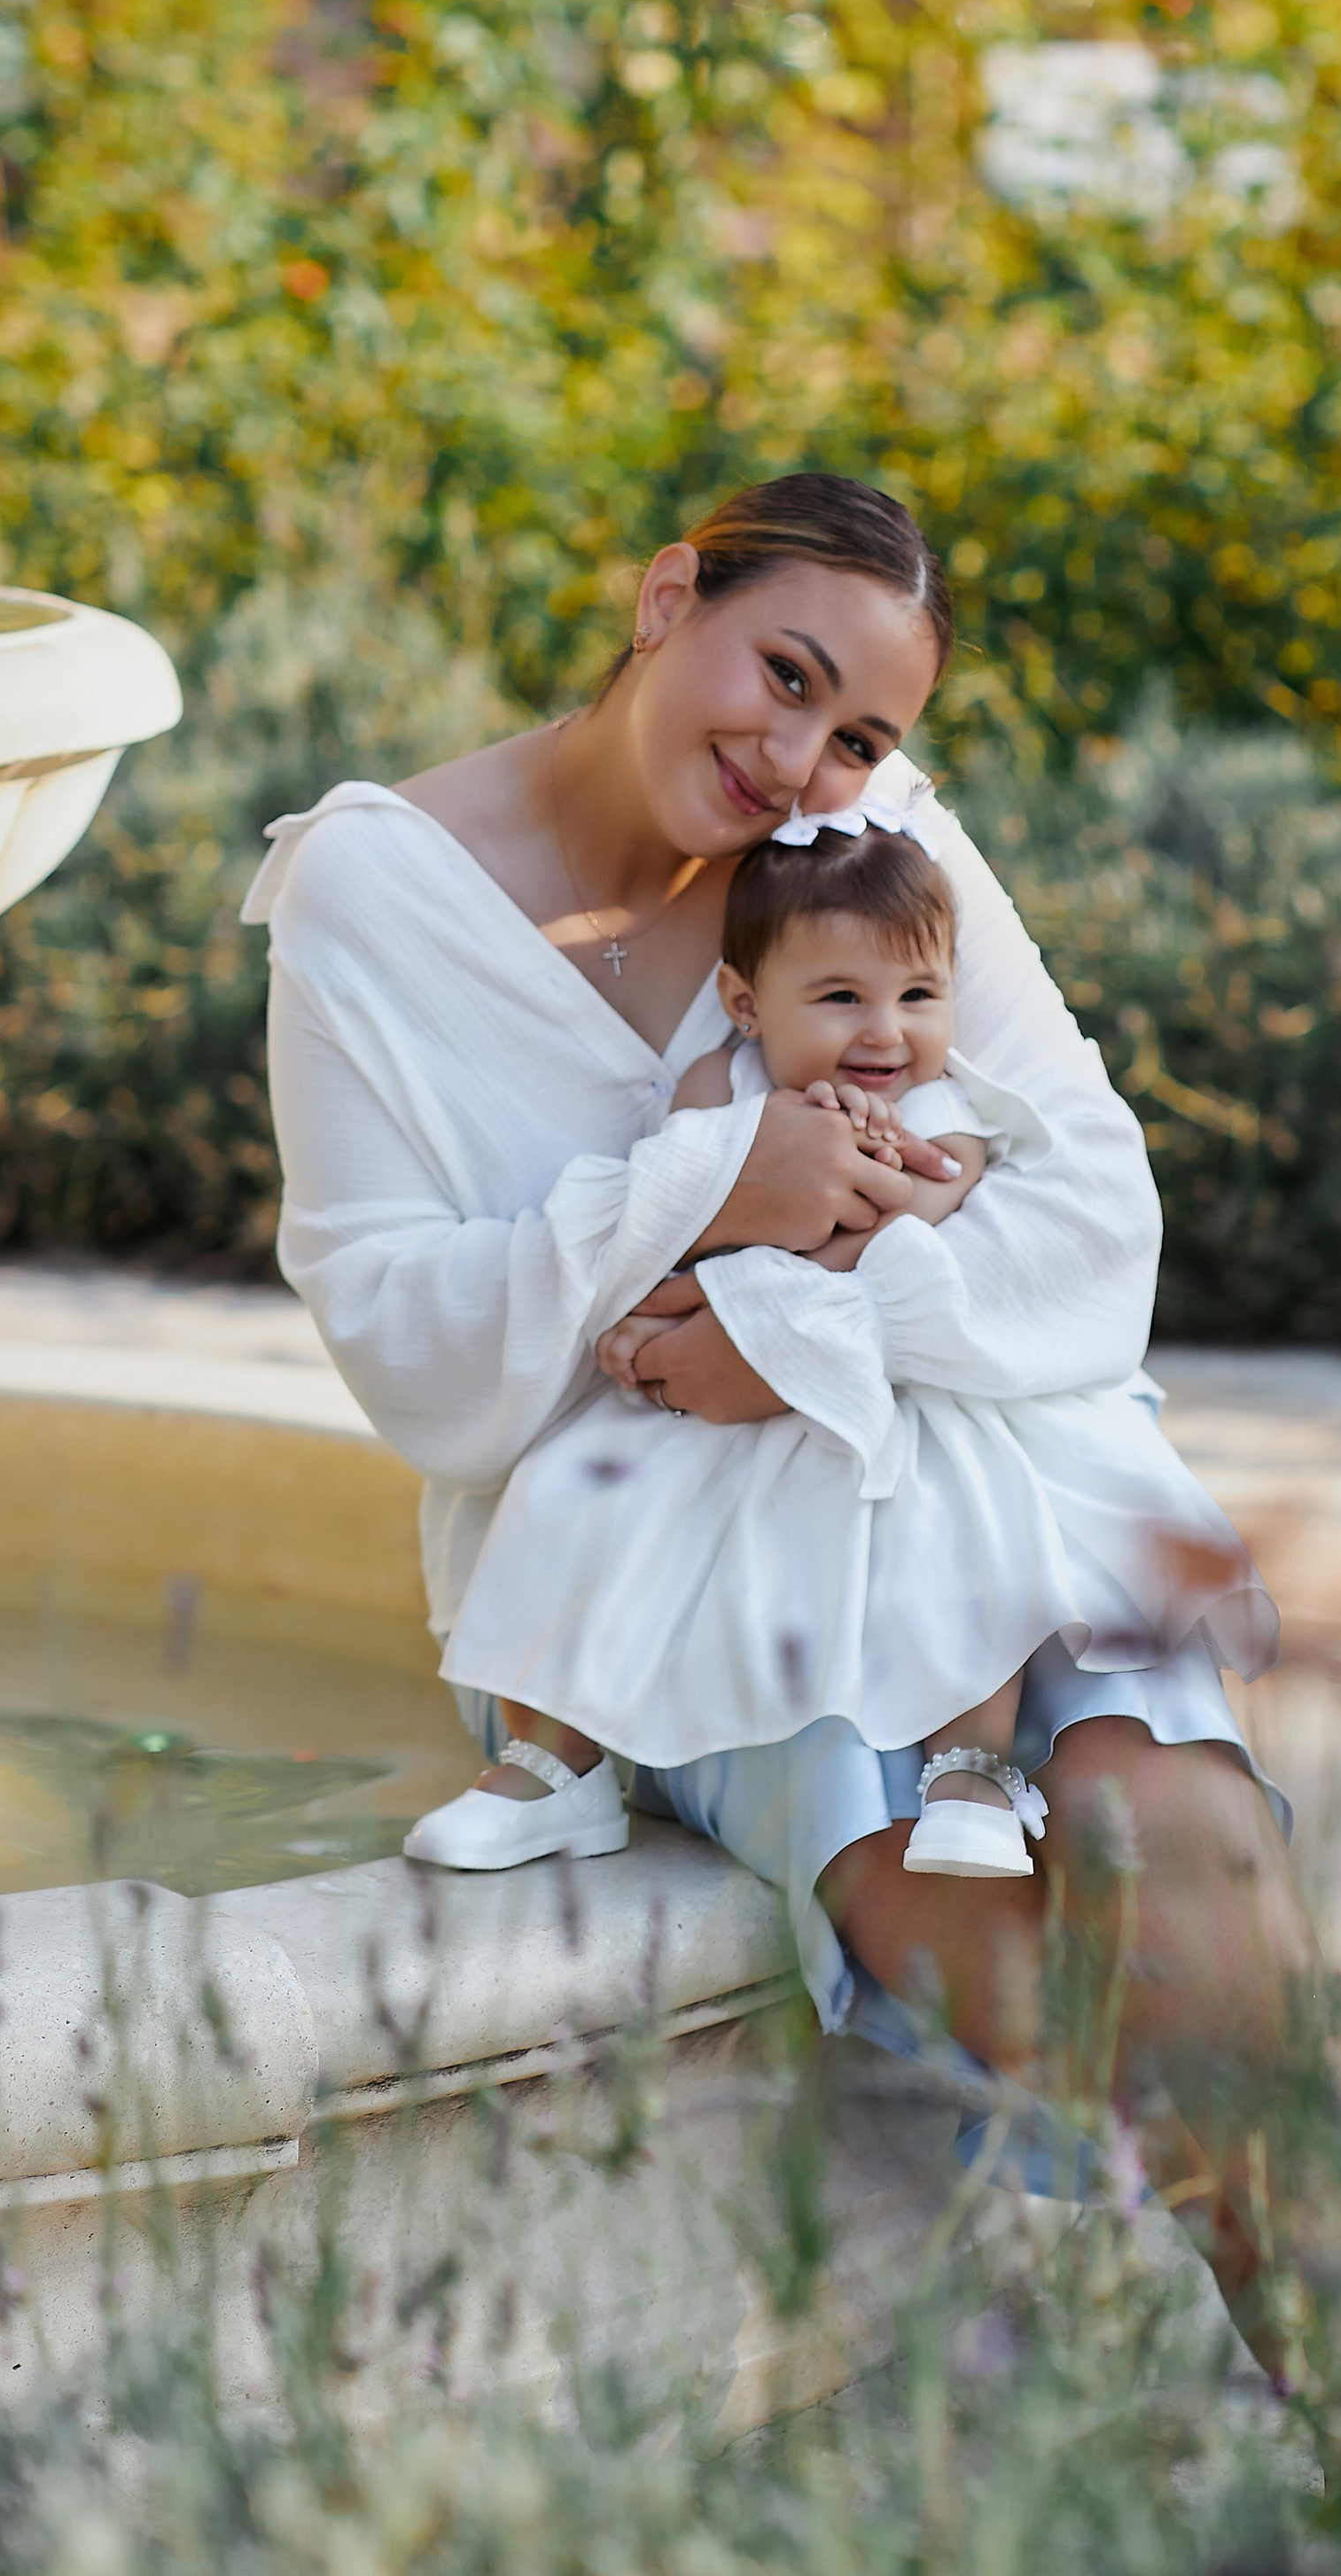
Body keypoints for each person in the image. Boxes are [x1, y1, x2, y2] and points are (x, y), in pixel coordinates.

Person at [243, 473, 1311, 2349]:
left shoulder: (872, 845)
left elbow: (1093, 1212)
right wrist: (703, 1188)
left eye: (862, 728)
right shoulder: (372, 896)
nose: (800, 755)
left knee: (1170, 1825)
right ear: (668, 599)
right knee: (955, 1916)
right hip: (650, 1551)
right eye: (783, 673)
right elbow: (409, 1354)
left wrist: (821, 1337)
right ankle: (1288, 2335)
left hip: (991, 1467)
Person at [425, 799, 1277, 1879]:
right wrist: (655, 1306)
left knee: (964, 1526)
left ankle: (968, 1770)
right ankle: (557, 1768)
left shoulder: (933, 1110)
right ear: (746, 1002)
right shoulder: (716, 1089)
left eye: (918, 996)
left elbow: (917, 1223)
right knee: (574, 1489)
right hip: (727, 1398)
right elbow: (674, 1215)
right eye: (840, 998)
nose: (886, 1032)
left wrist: (759, 1302)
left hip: (874, 1379)